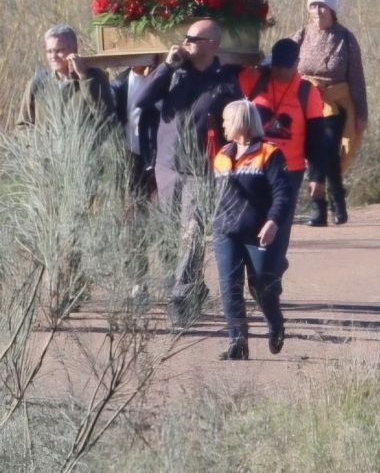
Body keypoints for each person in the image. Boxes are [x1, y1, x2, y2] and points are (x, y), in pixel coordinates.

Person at [129, 19, 237, 327]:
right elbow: (140, 100)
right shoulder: (175, 73)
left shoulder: (226, 80)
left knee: (192, 232)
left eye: (192, 38)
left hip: (202, 171)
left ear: (211, 45)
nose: (185, 41)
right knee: (169, 234)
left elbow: (237, 123)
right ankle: (189, 286)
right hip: (167, 166)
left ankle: (181, 295)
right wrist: (166, 67)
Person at [209, 100, 293, 360]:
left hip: (258, 232)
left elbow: (283, 194)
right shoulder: (222, 155)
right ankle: (237, 342)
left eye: (226, 120)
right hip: (225, 231)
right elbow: (212, 194)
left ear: (239, 122)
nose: (222, 125)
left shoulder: (270, 153)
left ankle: (275, 322)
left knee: (262, 286)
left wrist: (272, 222)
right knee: (229, 286)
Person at [235, 40, 325, 244]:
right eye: (277, 65)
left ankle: (273, 269)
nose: (280, 71)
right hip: (254, 168)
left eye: (286, 66)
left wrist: (317, 177)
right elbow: (230, 74)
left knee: (278, 228)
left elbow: (316, 137)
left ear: (297, 63)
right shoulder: (256, 80)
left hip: (289, 171)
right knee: (250, 224)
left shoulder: (307, 91)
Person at [296, 0, 367, 224]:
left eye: (322, 6)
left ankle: (321, 208)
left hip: (335, 105)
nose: (317, 11)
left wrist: (361, 113)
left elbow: (356, 78)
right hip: (306, 103)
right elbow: (285, 59)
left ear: (332, 10)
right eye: (313, 6)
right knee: (319, 154)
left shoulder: (345, 38)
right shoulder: (303, 34)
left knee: (325, 151)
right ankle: (336, 202)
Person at [18, 23, 115, 129]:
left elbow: (107, 118)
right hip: (45, 145)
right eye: (49, 51)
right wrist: (34, 144)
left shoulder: (95, 78)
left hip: (82, 145)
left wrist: (84, 77)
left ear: (74, 49)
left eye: (59, 50)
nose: (53, 57)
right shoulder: (39, 82)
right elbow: (23, 124)